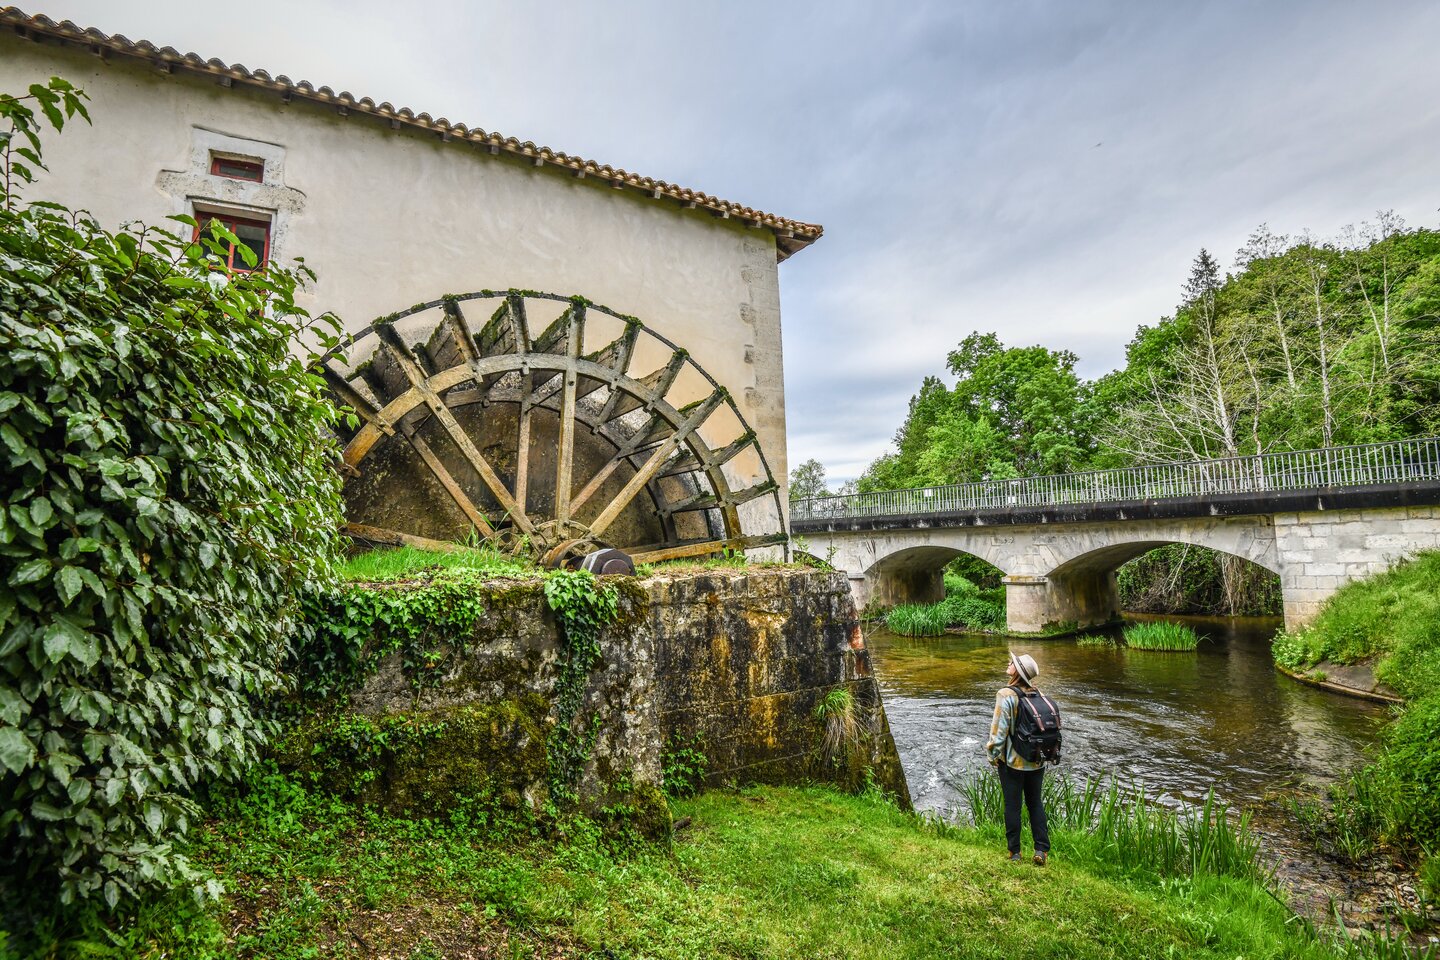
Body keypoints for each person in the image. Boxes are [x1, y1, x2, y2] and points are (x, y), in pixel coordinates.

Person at [985, 651, 1051, 865]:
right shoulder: (1037, 692)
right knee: (1035, 803)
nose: (1009, 663)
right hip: (1037, 760)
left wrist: (993, 756)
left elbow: (999, 731)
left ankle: (1014, 852)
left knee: (1012, 806)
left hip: (1013, 762)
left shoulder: (1006, 694)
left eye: (1012, 662)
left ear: (1017, 671)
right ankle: (1041, 850)